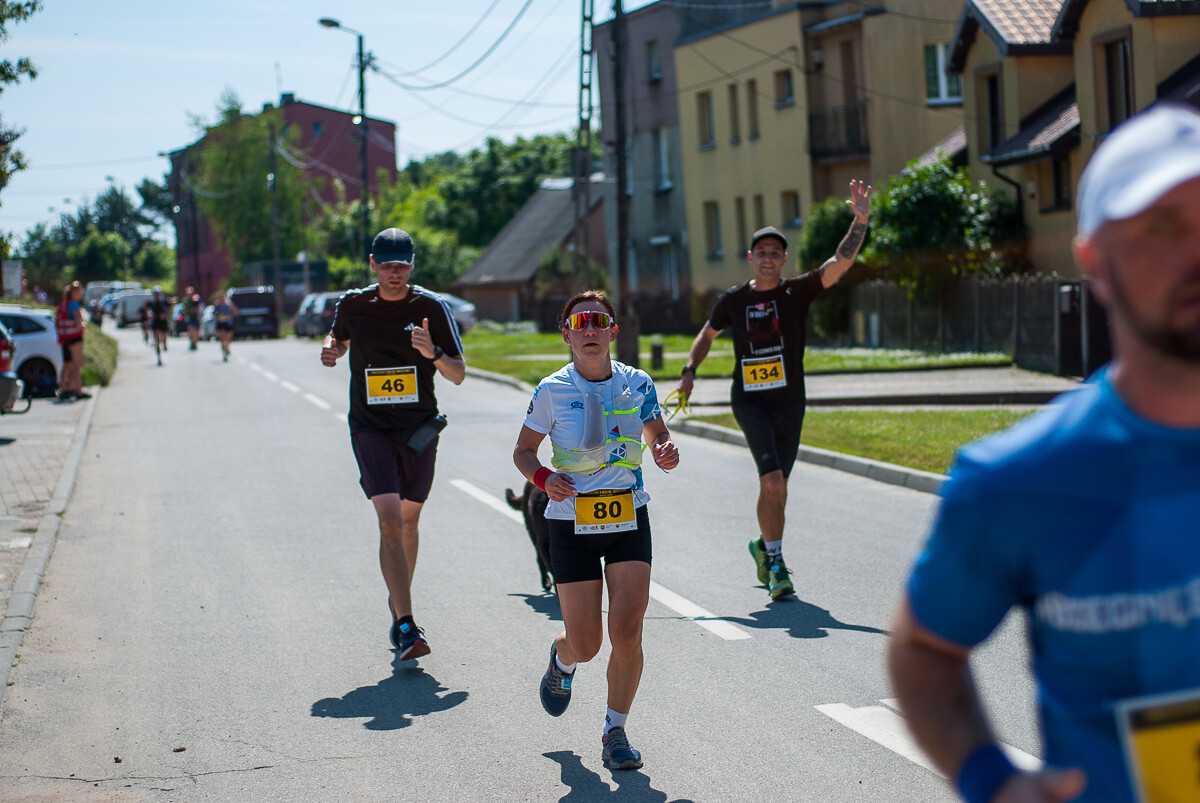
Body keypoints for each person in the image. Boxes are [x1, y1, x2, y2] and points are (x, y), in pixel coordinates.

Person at [887, 103, 1200, 803]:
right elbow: (923, 648)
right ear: (1096, 261)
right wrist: (990, 779)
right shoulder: (1019, 480)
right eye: (1162, 226)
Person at [675, 180, 872, 599]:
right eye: (760, 252)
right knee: (773, 481)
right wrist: (690, 369)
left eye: (774, 253)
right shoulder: (733, 301)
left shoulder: (795, 292)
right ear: (751, 258)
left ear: (785, 258)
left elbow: (838, 263)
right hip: (749, 402)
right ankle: (778, 563)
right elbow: (707, 335)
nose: (767, 259)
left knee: (778, 486)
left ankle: (763, 548)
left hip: (790, 402)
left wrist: (861, 221)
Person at [513, 290, 680, 771]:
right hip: (570, 523)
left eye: (598, 321)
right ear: (566, 333)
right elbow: (523, 452)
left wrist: (665, 450)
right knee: (587, 644)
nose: (590, 330)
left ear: (613, 331)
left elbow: (658, 434)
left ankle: (615, 731)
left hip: (628, 516)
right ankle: (562, 659)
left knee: (627, 631)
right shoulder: (550, 391)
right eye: (580, 322)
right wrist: (545, 480)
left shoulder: (638, 383)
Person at [320, 228, 465, 660]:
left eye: (402, 265)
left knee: (409, 520)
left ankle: (397, 599)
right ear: (372, 264)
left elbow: (458, 374)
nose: (394, 273)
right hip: (370, 425)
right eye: (387, 265)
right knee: (389, 521)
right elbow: (340, 337)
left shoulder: (431, 308)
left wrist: (432, 353)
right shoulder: (354, 303)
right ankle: (406, 624)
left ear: (412, 265)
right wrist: (331, 349)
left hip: (418, 428)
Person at [53, 281, 89, 401]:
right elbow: (78, 322)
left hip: (65, 338)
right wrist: (83, 325)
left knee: (68, 364)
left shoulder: (63, 304)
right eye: (80, 290)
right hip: (74, 338)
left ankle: (64, 389)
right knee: (77, 364)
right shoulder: (73, 304)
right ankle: (78, 391)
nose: (82, 292)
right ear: (74, 292)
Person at [212, 291, 237, 361]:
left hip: (228, 323)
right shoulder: (216, 305)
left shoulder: (229, 304)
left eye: (222, 297)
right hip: (220, 324)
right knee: (222, 339)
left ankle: (227, 348)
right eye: (219, 297)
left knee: (228, 339)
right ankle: (225, 353)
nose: (221, 299)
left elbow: (235, 312)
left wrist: (229, 316)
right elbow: (214, 313)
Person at [149, 286, 171, 361]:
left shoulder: (164, 302)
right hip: (155, 322)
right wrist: (151, 316)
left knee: (164, 336)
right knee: (156, 339)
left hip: (163, 321)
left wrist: (165, 315)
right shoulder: (152, 303)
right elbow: (149, 312)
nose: (157, 295)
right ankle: (158, 355)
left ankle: (164, 344)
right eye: (156, 294)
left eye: (158, 293)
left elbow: (169, 309)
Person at [182, 286, 203, 351]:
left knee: (195, 331)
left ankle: (195, 343)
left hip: (195, 317)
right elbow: (184, 309)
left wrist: (197, 311)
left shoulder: (196, 298)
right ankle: (192, 342)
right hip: (189, 317)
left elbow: (199, 306)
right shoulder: (185, 300)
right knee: (190, 330)